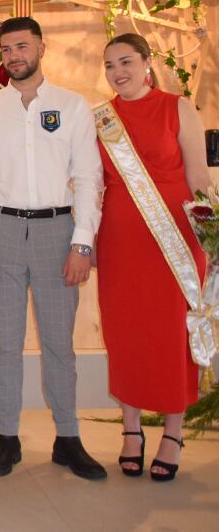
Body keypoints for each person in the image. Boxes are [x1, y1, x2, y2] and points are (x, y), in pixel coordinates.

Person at [0, 16, 106, 480]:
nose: (14, 56)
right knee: (5, 343)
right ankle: (8, 437)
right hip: (0, 232)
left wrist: (83, 243)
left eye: (22, 46)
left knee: (59, 343)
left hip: (56, 232)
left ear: (42, 47)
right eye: (6, 50)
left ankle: (68, 438)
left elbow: (88, 178)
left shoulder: (73, 106)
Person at [95, 33, 208, 481]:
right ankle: (131, 431)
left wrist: (211, 237)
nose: (118, 72)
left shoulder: (178, 107)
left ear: (147, 62)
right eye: (109, 65)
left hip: (175, 239)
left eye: (125, 61)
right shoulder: (102, 118)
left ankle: (174, 432)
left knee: (170, 334)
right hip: (121, 241)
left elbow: (199, 177)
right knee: (125, 334)